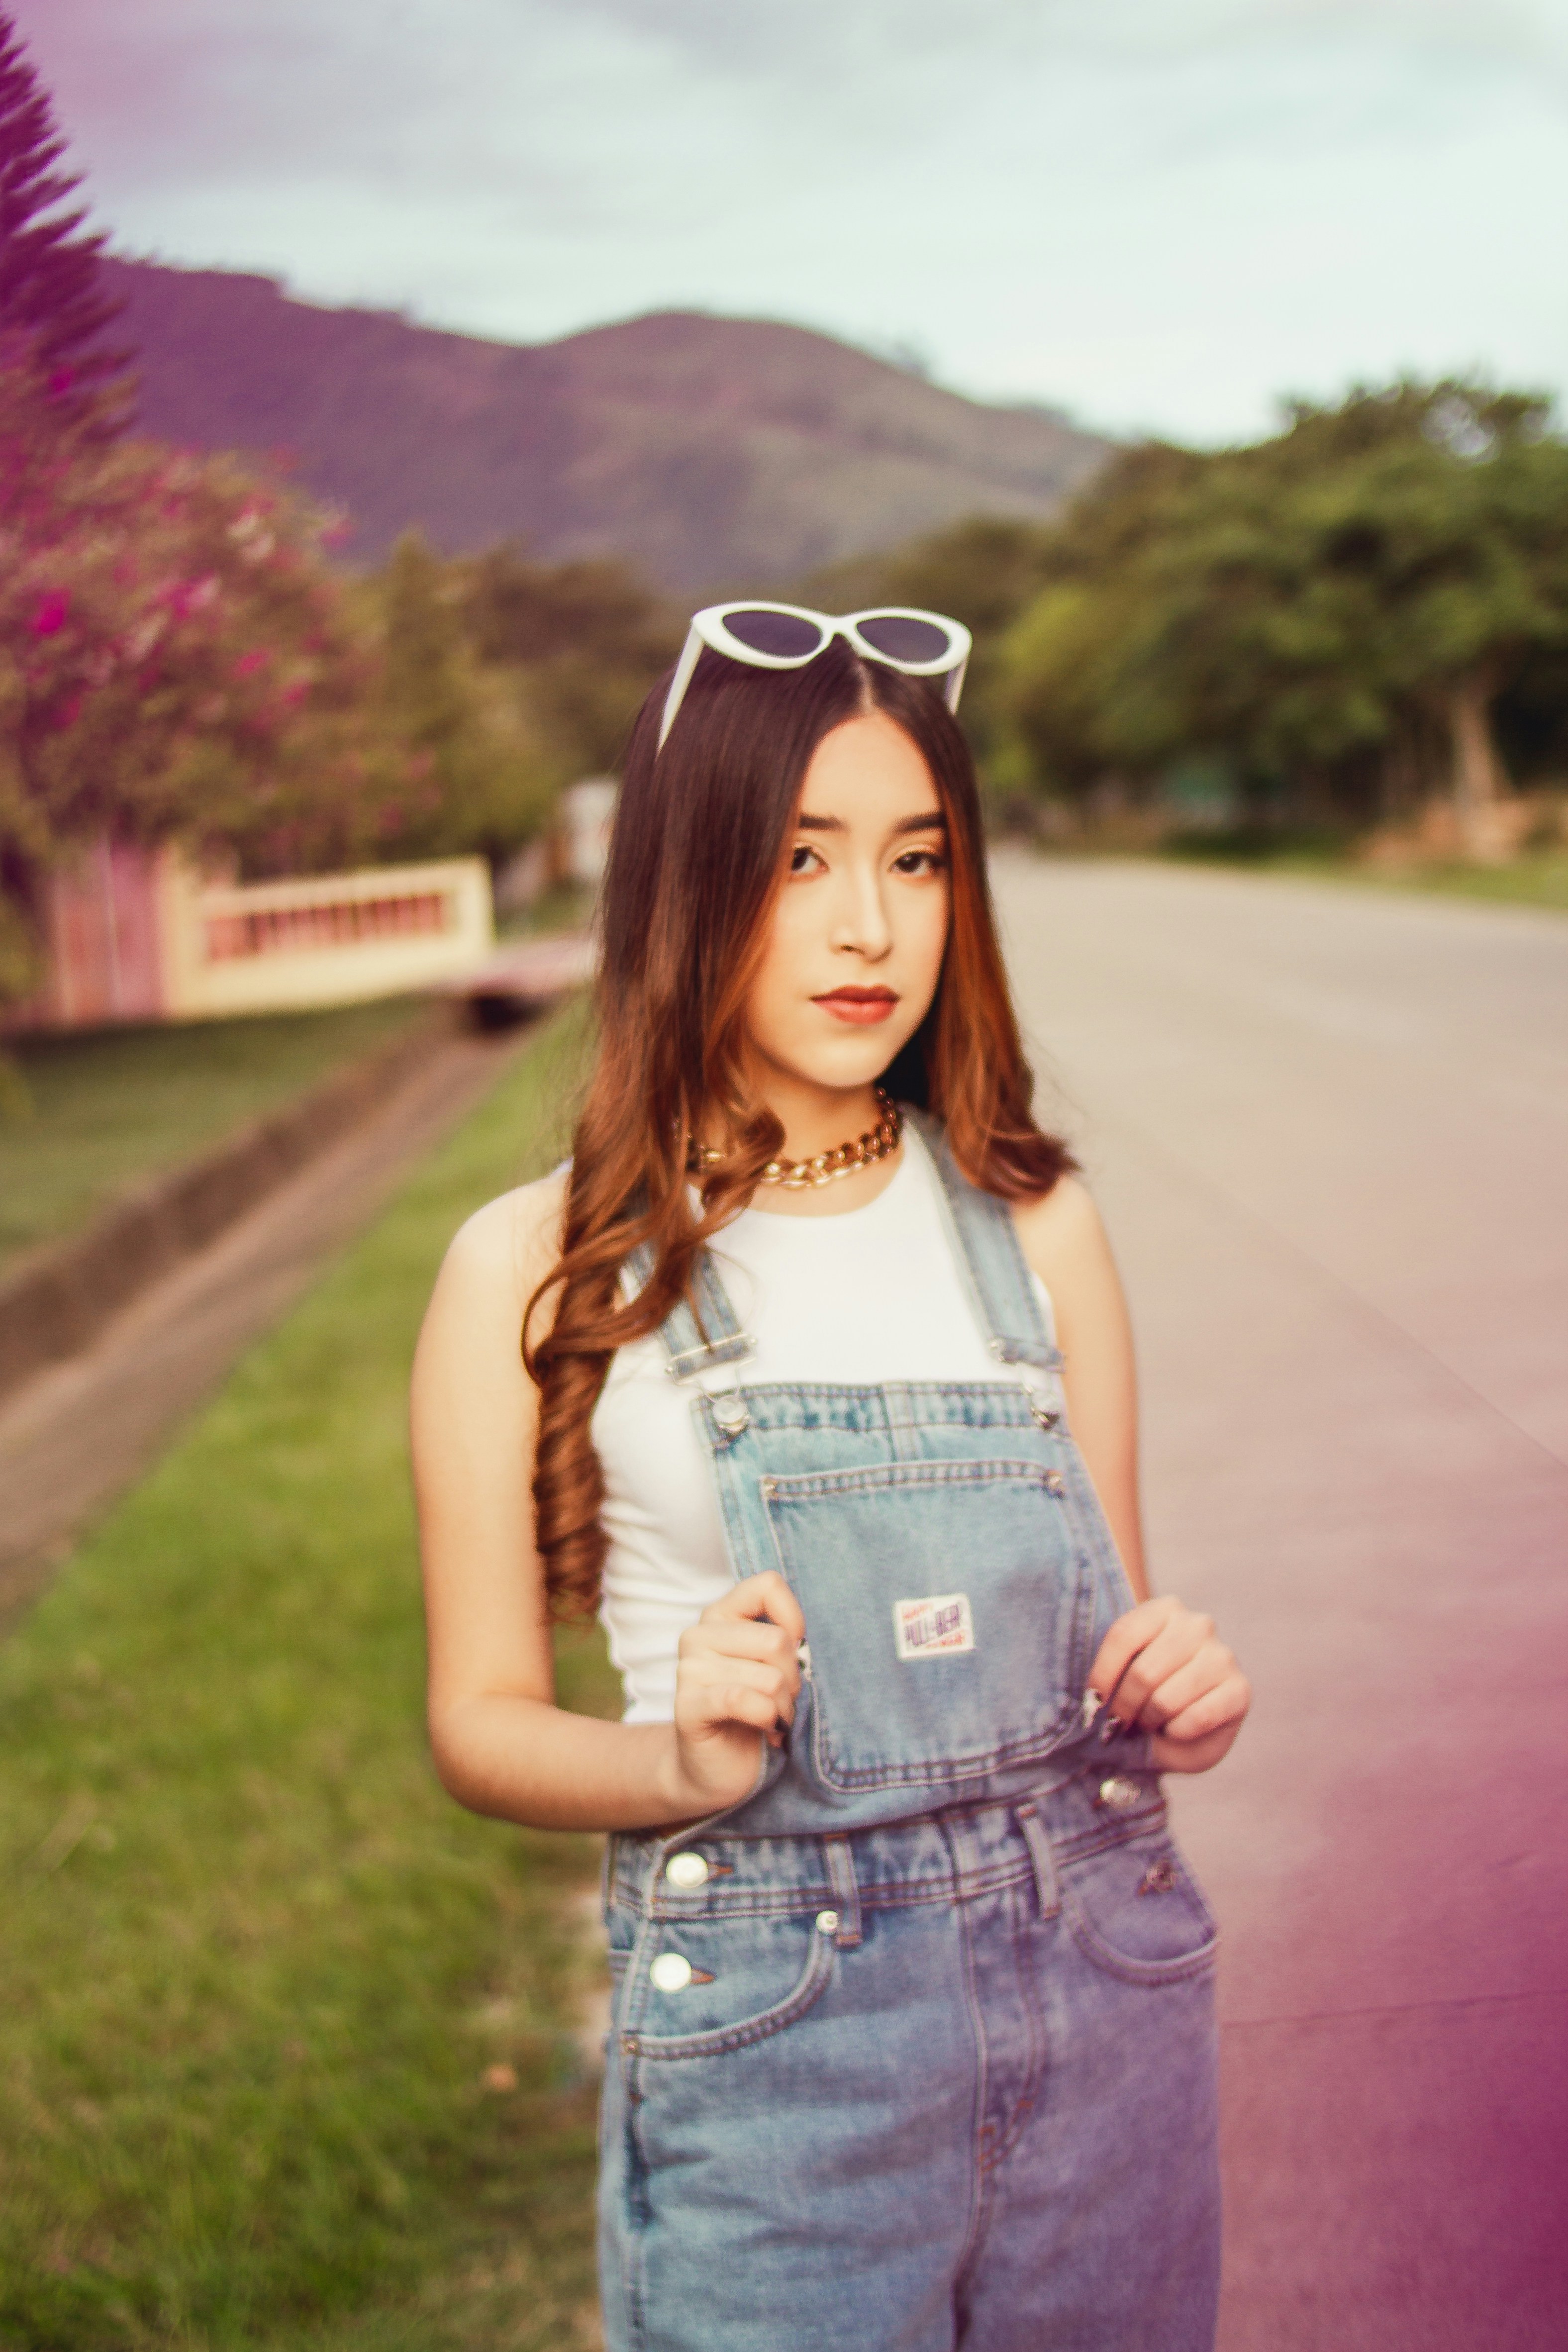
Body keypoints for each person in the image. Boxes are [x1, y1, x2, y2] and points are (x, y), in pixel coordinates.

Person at [412, 603, 1252, 2352]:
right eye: (802, 860)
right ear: (687, 880)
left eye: (918, 859)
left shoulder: (1037, 1224)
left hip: (1104, 2014)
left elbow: (1119, 1676)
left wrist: (1180, 1694)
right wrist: (675, 1756)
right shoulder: (533, 1265)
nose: (872, 925)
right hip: (778, 2059)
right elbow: (480, 1722)